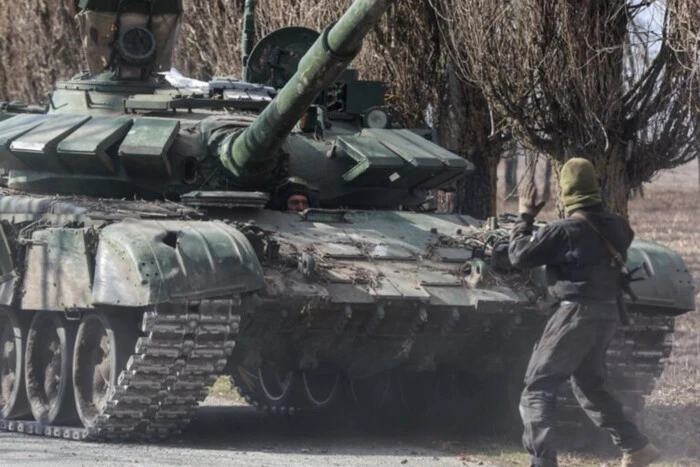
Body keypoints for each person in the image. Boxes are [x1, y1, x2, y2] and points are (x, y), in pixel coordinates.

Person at [508, 158, 661, 467]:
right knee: (589, 385)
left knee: (538, 387)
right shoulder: (619, 226)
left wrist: (524, 218)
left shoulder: (565, 230)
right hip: (606, 314)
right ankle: (635, 446)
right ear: (595, 187)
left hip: (574, 314)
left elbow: (520, 256)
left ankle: (542, 463)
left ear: (565, 191)